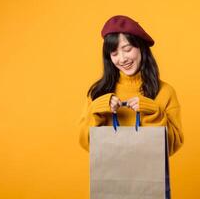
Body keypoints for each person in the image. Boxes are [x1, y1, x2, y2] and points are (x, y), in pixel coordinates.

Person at [78, 15, 184, 156]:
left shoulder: (165, 91)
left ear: (141, 47)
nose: (122, 59)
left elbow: (172, 147)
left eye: (127, 49)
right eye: (114, 53)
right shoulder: (98, 92)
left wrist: (154, 113)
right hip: (111, 175)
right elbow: (86, 144)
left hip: (149, 175)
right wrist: (96, 112)